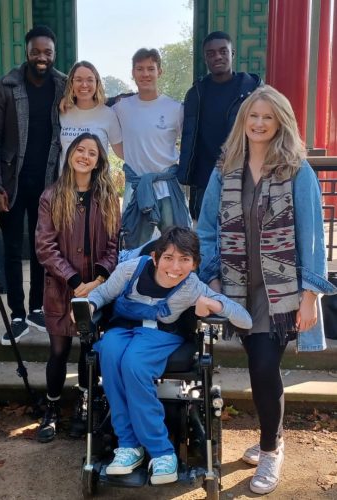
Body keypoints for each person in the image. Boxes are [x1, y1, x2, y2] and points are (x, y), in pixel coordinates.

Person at [197, 85, 336, 495]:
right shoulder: (224, 169)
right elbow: (206, 229)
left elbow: (311, 235)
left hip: (280, 291)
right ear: (244, 121)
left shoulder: (297, 170)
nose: (259, 124)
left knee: (263, 367)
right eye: (252, 116)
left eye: (268, 117)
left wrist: (311, 294)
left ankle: (272, 449)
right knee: (259, 366)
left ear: (280, 123)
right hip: (237, 285)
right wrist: (213, 277)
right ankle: (271, 435)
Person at [86, 226, 252, 485]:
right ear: (155, 257)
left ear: (195, 264)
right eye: (168, 258)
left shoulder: (192, 286)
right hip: (123, 327)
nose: (175, 267)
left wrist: (214, 304)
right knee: (108, 352)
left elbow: (245, 320)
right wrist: (90, 305)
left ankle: (162, 452)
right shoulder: (131, 269)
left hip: (161, 335)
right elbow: (102, 293)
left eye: (185, 260)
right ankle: (129, 446)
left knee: (133, 363)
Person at [0, 25, 67, 345]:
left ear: (54, 54)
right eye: (36, 51)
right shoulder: (5, 85)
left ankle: (36, 309)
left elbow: (90, 100)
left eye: (47, 52)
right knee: (14, 249)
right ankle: (17, 314)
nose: (41, 57)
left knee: (42, 250)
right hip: (11, 182)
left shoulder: (62, 85)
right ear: (27, 51)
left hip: (48, 183)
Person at [35, 132, 120, 442]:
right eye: (80, 150)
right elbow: (45, 246)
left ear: (99, 162)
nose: (85, 156)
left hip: (95, 289)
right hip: (60, 287)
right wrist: (73, 281)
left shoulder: (107, 196)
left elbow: (113, 245)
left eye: (93, 153)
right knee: (59, 350)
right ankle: (52, 408)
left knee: (89, 350)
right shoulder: (52, 196)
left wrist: (97, 280)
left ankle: (85, 404)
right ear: (70, 154)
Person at [177, 31, 262, 220]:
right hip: (205, 178)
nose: (217, 57)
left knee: (244, 232)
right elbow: (189, 136)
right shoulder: (196, 93)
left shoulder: (253, 91)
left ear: (232, 53)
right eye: (211, 53)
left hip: (245, 175)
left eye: (223, 51)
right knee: (205, 235)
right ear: (205, 58)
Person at [113, 48, 191, 249]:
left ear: (160, 72)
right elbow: (109, 132)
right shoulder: (122, 107)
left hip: (166, 185)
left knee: (175, 243)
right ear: (133, 72)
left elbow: (189, 144)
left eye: (150, 68)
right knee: (134, 245)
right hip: (137, 185)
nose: (145, 74)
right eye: (140, 69)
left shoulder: (175, 108)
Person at [59, 60, 123, 169]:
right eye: (78, 80)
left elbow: (122, 153)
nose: (84, 85)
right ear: (71, 83)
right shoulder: (62, 111)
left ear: (97, 83)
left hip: (97, 184)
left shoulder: (108, 115)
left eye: (90, 80)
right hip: (66, 184)